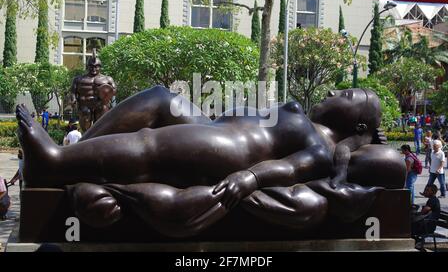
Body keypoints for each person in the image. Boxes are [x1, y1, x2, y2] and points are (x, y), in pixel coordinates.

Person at [15, 87, 406, 235]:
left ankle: (52, 162)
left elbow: (290, 169)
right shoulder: (307, 121)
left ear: (356, 122)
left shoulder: (321, 145)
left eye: (348, 94)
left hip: (230, 147)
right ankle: (73, 155)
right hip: (215, 126)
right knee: (159, 98)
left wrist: (251, 178)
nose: (338, 90)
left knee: (151, 145)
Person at [70, 51, 117, 132]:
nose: (94, 69)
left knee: (100, 127)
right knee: (86, 125)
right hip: (85, 106)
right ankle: (86, 140)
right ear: (87, 67)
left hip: (101, 105)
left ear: (100, 67)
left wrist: (106, 92)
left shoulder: (107, 79)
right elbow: (73, 92)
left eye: (96, 66)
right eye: (91, 66)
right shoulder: (79, 79)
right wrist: (73, 99)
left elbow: (114, 90)